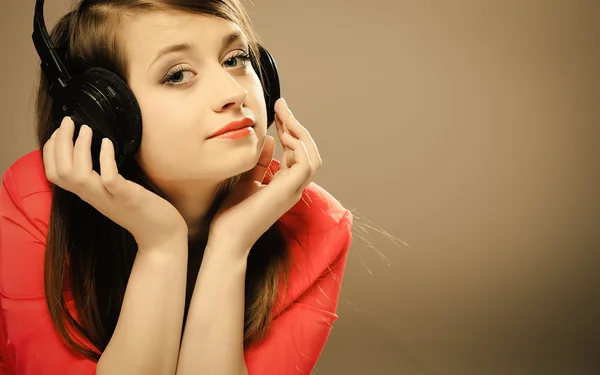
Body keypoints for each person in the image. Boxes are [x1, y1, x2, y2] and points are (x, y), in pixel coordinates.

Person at [0, 1, 353, 374]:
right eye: (178, 75)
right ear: (102, 113)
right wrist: (161, 246)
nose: (232, 93)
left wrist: (231, 245)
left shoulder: (316, 227)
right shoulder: (36, 200)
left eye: (235, 59)